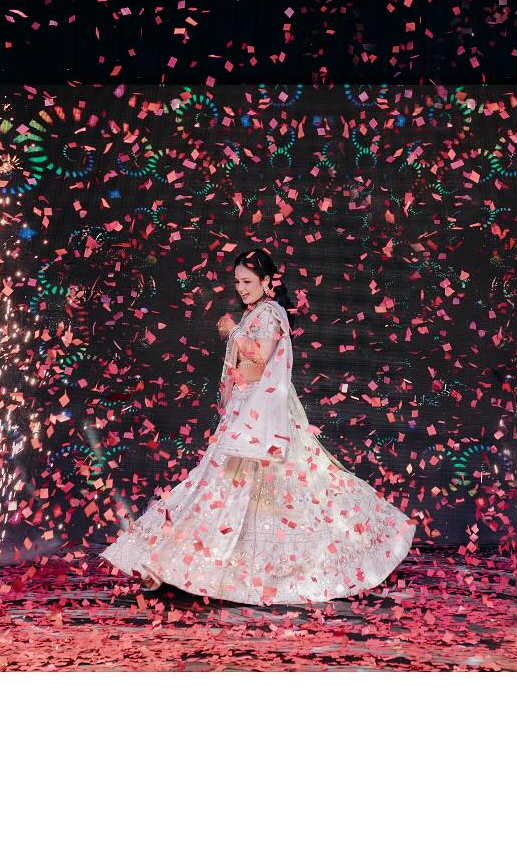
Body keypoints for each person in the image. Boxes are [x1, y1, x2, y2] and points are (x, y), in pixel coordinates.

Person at [98, 246, 416, 605]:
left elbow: (260, 357)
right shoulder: (257, 313)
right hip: (246, 408)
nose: (241, 289)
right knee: (222, 486)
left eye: (248, 281)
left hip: (259, 411)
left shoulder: (269, 313)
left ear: (267, 282)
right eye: (237, 282)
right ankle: (178, 564)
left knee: (260, 487)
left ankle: (190, 565)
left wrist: (234, 331)